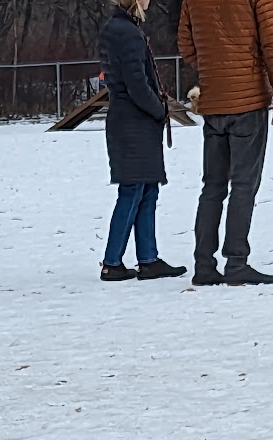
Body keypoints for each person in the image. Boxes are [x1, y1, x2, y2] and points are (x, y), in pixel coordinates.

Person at [178, 0, 273, 285]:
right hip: (248, 101)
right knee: (243, 185)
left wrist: (214, 68)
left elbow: (186, 45)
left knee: (212, 187)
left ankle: (204, 264)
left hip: (213, 101)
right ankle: (236, 262)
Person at [98, 0, 186, 282]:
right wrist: (160, 110)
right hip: (133, 122)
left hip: (130, 121)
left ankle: (148, 258)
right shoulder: (127, 32)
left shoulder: (118, 28)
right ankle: (112, 262)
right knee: (134, 188)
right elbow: (136, 83)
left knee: (147, 188)